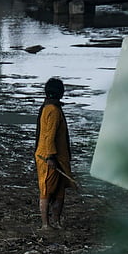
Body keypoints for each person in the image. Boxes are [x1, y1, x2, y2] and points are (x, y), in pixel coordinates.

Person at [36, 77, 73, 230]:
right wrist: (50, 157)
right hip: (49, 158)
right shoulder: (52, 110)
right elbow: (48, 136)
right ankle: (46, 224)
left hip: (58, 158)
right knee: (47, 190)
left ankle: (56, 222)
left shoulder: (51, 108)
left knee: (59, 190)